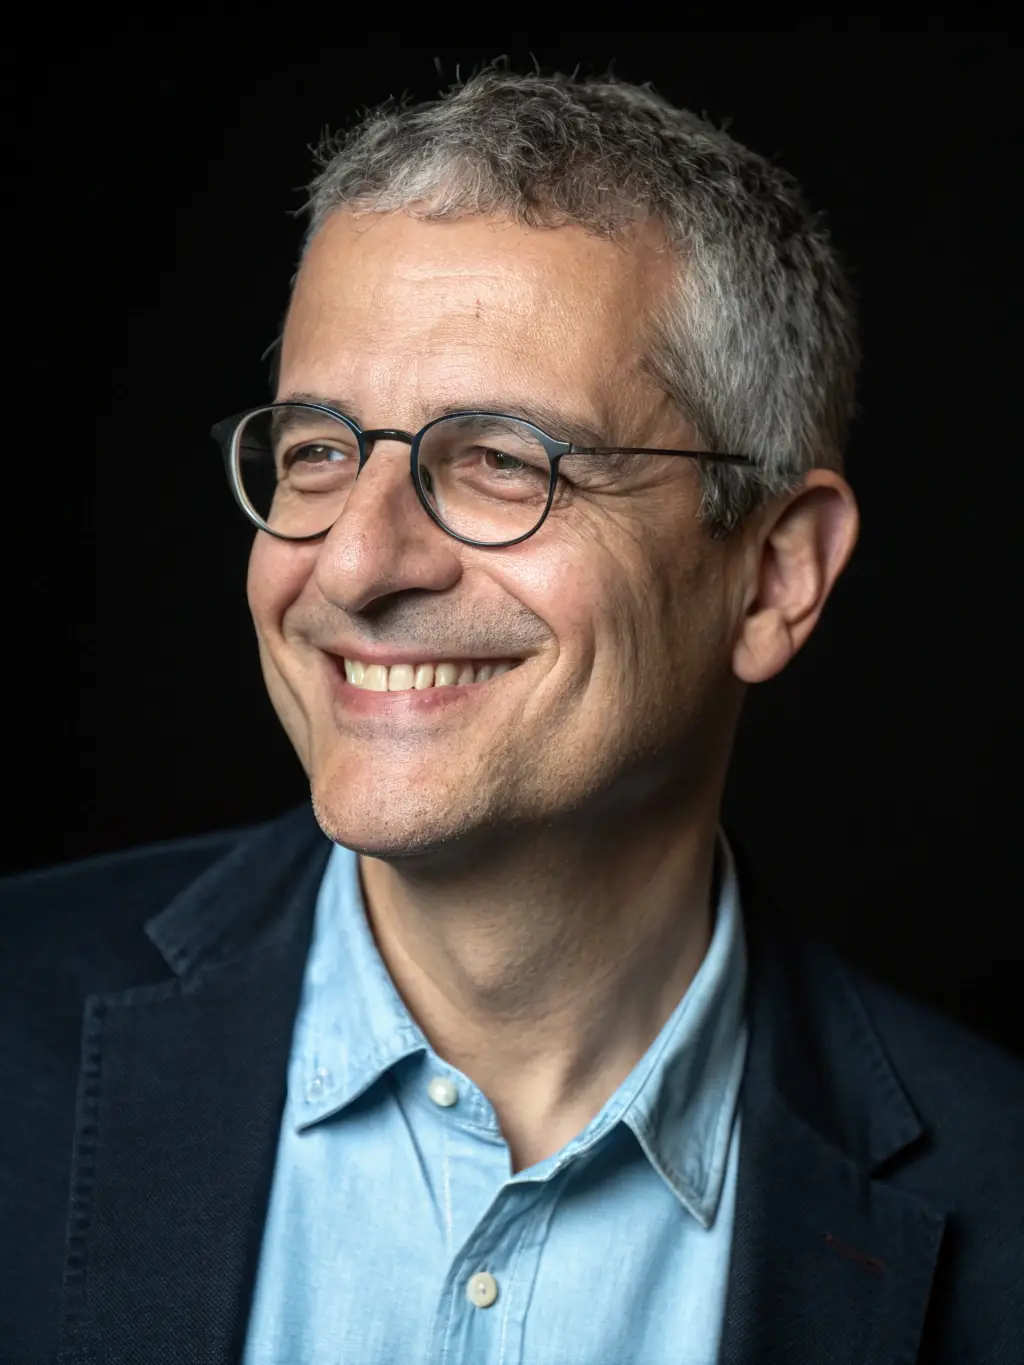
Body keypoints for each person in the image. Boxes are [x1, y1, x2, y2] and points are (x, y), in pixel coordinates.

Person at [2, 66, 1021, 1365]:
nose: (359, 567)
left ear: (773, 574)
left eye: (501, 463)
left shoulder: (1005, 1218)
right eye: (318, 449)